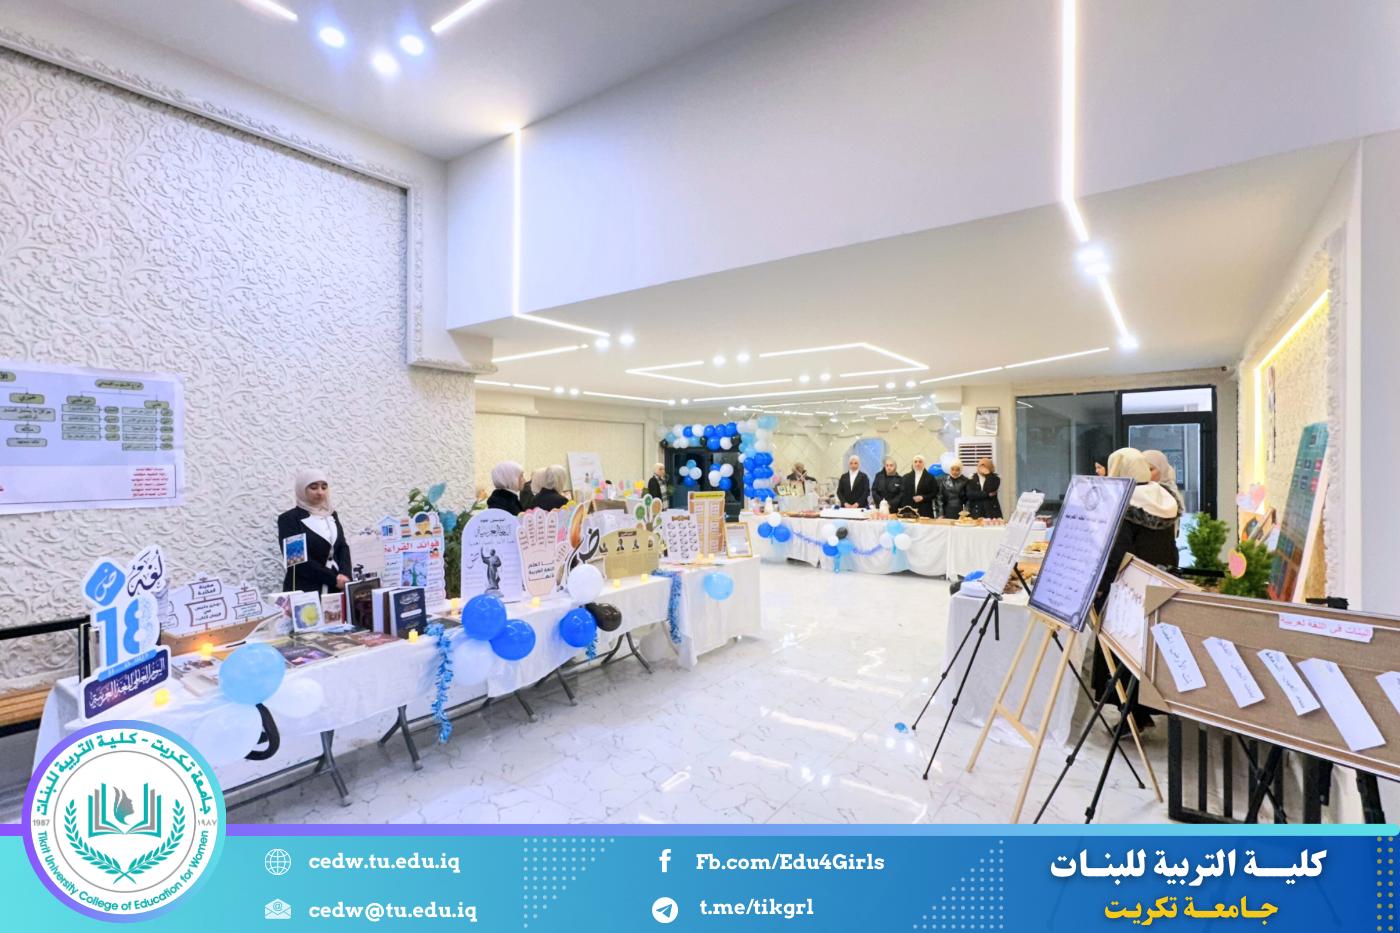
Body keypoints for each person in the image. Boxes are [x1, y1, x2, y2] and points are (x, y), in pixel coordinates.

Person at [1092, 447, 1181, 726]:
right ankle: (1144, 712)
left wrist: (1100, 586)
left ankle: (1132, 716)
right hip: (1160, 584)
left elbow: (1118, 553)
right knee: (1149, 652)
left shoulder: (1127, 502)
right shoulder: (1162, 497)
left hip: (1128, 590)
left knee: (1125, 654)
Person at [277, 468, 352, 593]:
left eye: (324, 487)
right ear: (302, 489)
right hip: (307, 589)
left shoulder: (331, 515)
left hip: (336, 588)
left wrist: (345, 574)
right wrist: (333, 579)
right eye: (313, 487)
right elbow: (297, 562)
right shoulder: (289, 519)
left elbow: (342, 547)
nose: (320, 492)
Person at [1141, 449, 1186, 535]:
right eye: (1143, 469)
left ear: (1162, 469)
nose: (1146, 473)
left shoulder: (1169, 493)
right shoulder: (1141, 490)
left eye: (1150, 469)